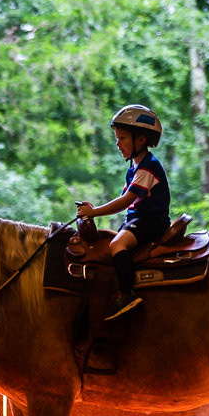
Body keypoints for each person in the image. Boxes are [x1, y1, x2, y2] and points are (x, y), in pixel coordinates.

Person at [75, 104, 171, 346]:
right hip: (137, 220)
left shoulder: (148, 167)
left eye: (122, 138)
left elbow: (126, 201)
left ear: (141, 139)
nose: (118, 144)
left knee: (117, 244)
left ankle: (126, 294)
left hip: (151, 221)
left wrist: (94, 212)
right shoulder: (135, 168)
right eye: (117, 138)